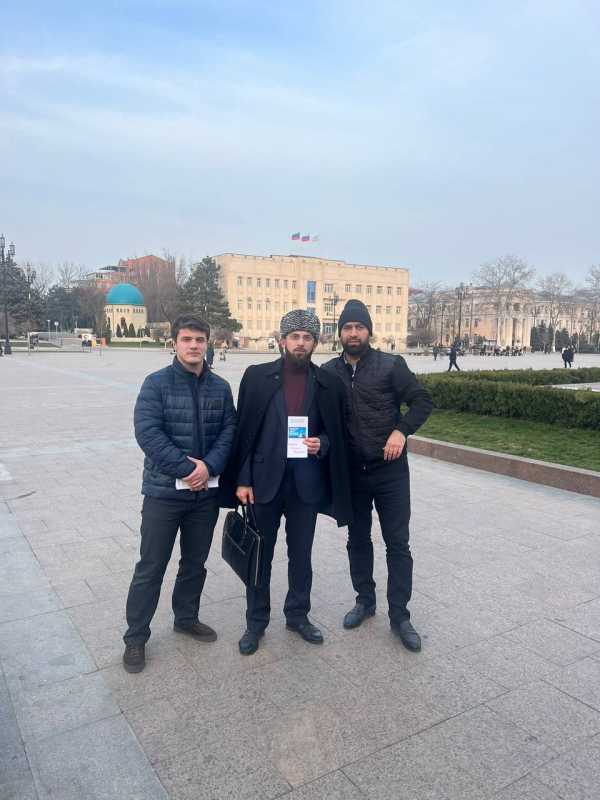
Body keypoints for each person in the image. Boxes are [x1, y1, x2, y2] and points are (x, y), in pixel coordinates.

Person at [220, 309, 352, 656]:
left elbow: (336, 432)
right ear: (283, 341)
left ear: (315, 343)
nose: (301, 343)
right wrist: (243, 479)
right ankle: (256, 622)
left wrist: (322, 443)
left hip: (305, 487)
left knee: (301, 557)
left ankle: (297, 615)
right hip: (262, 483)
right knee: (259, 556)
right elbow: (244, 432)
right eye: (295, 336)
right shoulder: (257, 377)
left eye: (307, 337)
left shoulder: (327, 383)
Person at [122, 315, 236, 673]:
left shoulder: (220, 387)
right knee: (151, 566)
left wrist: (209, 467)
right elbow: (148, 433)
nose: (193, 345)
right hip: (164, 494)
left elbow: (229, 431)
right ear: (174, 343)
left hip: (204, 497)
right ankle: (136, 637)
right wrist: (188, 469)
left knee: (194, 563)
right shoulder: (156, 384)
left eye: (200, 339)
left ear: (207, 344)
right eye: (187, 339)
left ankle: (186, 618)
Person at [322, 300, 433, 652]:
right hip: (353, 473)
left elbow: (422, 401)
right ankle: (364, 601)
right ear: (340, 333)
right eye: (347, 327)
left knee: (397, 543)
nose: (353, 333)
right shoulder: (328, 372)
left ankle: (400, 616)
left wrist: (401, 431)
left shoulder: (391, 365)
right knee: (357, 539)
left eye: (359, 327)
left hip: (390, 472)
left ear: (369, 331)